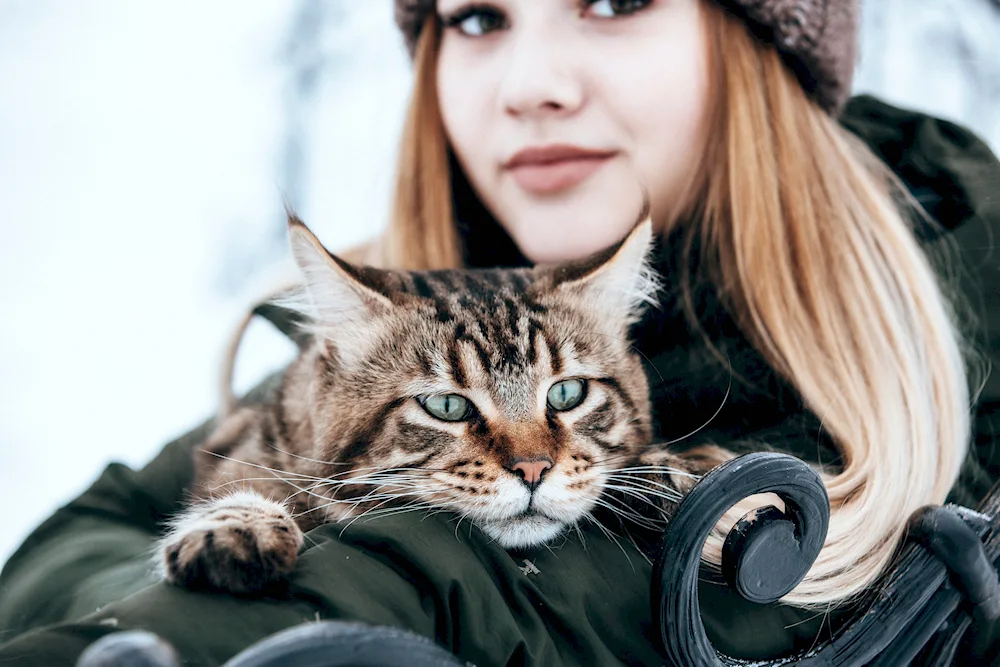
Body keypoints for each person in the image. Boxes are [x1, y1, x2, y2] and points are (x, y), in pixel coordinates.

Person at [1, 0, 999, 664]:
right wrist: (197, 551)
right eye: (476, 14)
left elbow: (483, 587)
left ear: (754, 41)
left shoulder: (925, 359)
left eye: (612, 0)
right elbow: (73, 542)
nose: (528, 83)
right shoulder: (413, 309)